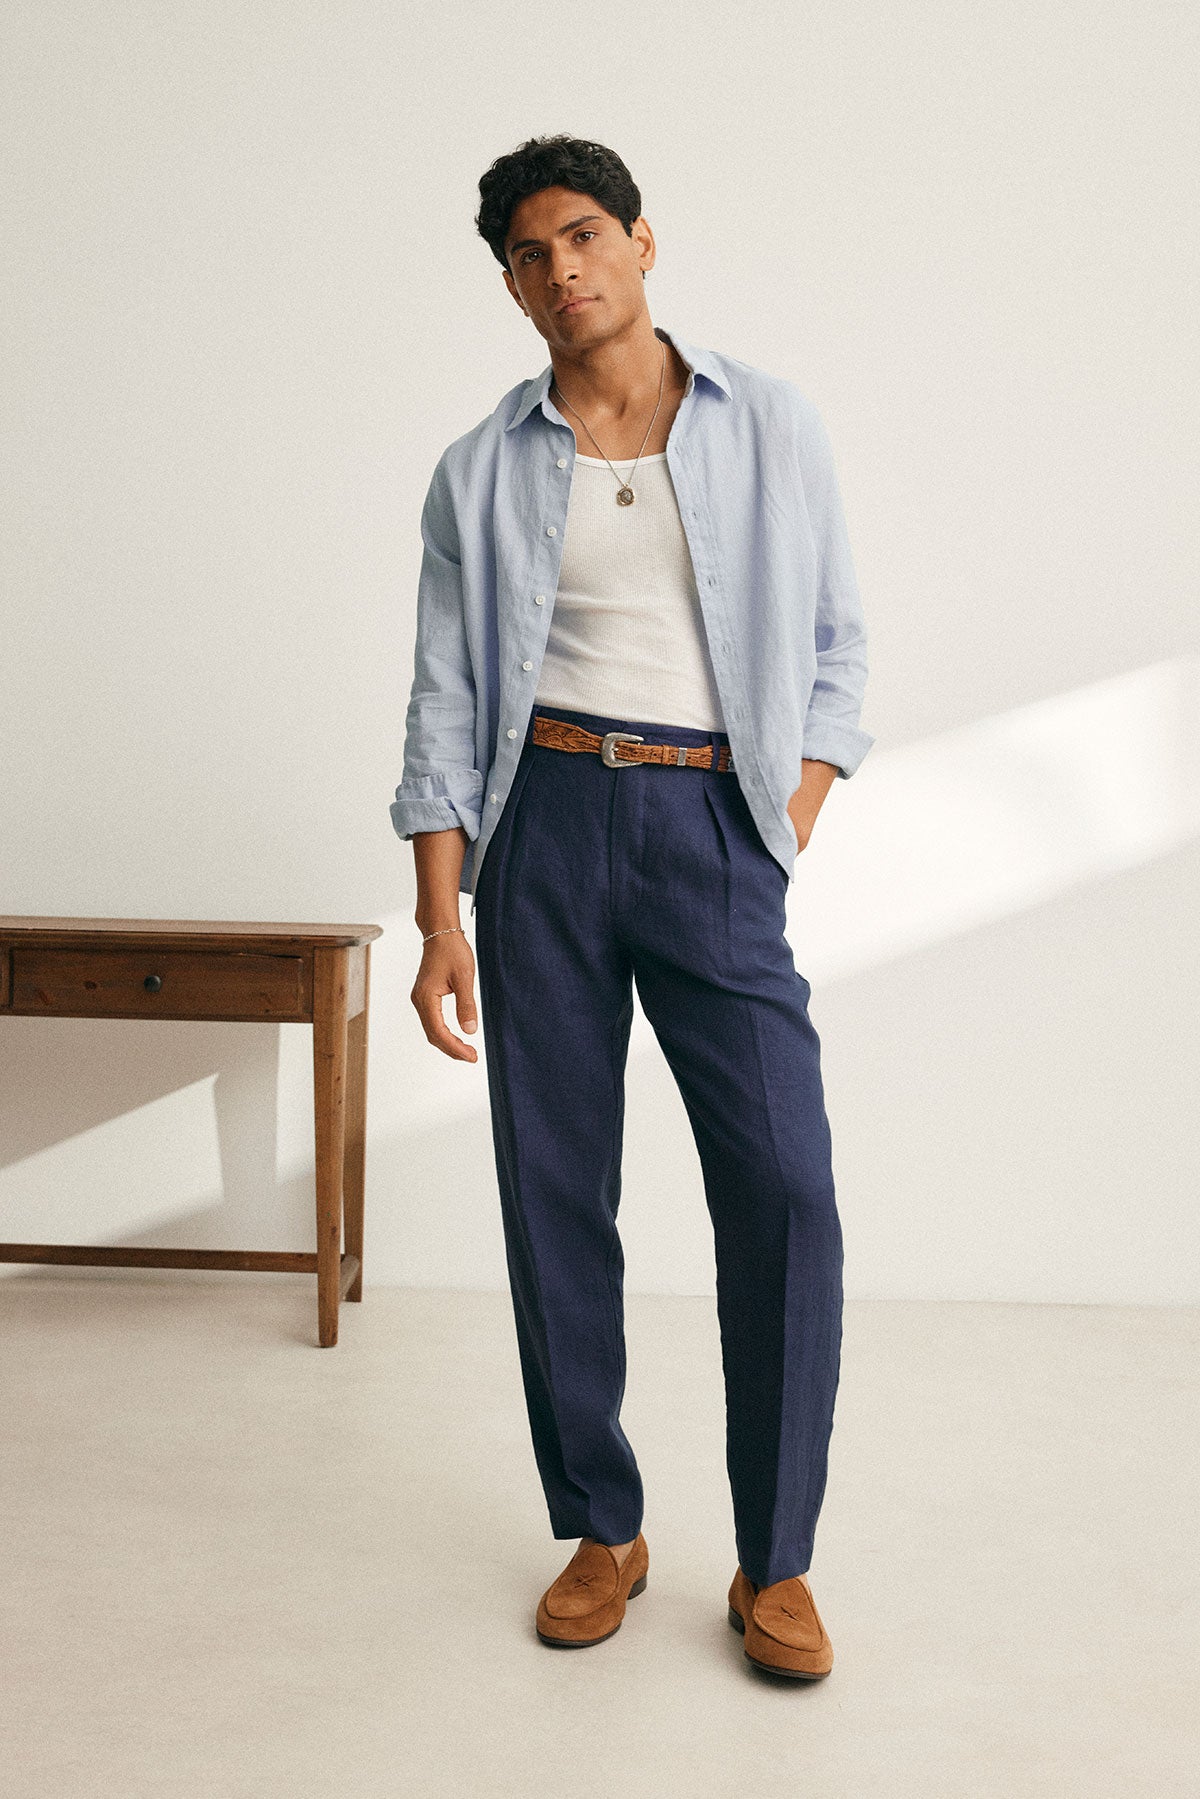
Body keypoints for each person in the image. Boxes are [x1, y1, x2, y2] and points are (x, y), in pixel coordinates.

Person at [390, 133, 874, 1680]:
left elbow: (836, 652)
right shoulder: (480, 467)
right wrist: (442, 917)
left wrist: (775, 830)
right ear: (511, 285)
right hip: (542, 831)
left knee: (784, 1189)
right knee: (552, 1194)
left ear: (645, 242)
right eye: (528, 255)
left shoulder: (767, 423)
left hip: (709, 828)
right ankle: (602, 1527)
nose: (562, 272)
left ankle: (777, 1562)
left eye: (583, 235)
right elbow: (443, 701)